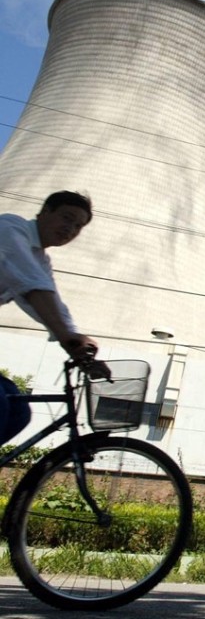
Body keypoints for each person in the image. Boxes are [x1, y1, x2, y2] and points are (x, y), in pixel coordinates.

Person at [0, 191, 102, 445]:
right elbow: (33, 286)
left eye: (78, 226)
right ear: (45, 211)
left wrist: (78, 346)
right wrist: (69, 339)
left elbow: (53, 304)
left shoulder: (40, 259)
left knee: (18, 411)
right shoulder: (10, 229)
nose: (70, 229)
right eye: (67, 218)